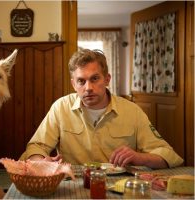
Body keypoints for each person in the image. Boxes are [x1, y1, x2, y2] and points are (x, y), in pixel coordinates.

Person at [20, 49, 183, 169]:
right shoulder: (60, 107)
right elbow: (36, 147)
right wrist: (40, 160)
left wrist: (140, 157)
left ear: (107, 79)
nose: (88, 87)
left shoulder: (132, 111)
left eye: (95, 79)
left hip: (120, 187)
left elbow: (167, 154)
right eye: (81, 81)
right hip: (72, 184)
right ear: (73, 84)